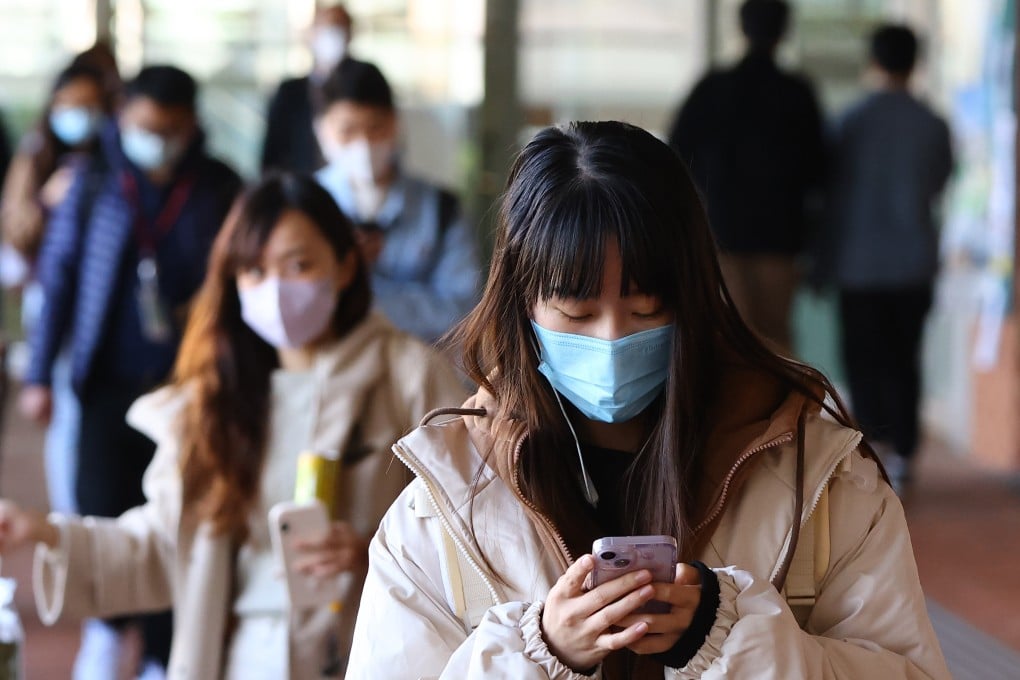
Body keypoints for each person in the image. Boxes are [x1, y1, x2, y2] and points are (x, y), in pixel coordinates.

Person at [345, 121, 950, 679]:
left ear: (695, 297)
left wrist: (728, 637)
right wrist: (541, 651)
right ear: (520, 305)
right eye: (577, 312)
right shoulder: (446, 501)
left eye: (646, 308)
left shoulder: (818, 474)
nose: (613, 338)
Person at [0, 173, 467, 678]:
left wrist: (374, 551)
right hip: (237, 656)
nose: (276, 289)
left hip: (367, 651)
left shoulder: (409, 377)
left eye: (298, 264)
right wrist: (42, 531)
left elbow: (475, 529)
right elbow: (162, 544)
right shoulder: (215, 398)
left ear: (346, 264)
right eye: (254, 271)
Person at [18, 64, 242, 678]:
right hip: (103, 387)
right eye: (145, 126)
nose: (157, 138)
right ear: (124, 119)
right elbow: (59, 281)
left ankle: (165, 657)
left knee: (176, 521)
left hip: (188, 393)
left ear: (191, 125)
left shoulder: (219, 188)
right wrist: (39, 375)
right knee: (101, 510)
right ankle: (105, 638)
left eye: (170, 128)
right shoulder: (93, 182)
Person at [818, 25, 953, 491]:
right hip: (913, 260)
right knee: (904, 357)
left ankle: (871, 447)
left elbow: (828, 191)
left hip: (858, 262)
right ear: (916, 63)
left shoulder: (849, 121)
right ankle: (907, 451)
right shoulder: (932, 123)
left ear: (873, 62)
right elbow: (938, 184)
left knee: (863, 357)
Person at [667, 0, 825, 356]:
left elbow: (677, 154)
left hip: (721, 233)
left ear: (741, 28)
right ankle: (787, 410)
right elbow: (818, 169)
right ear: (784, 32)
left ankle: (741, 412)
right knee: (776, 335)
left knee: (731, 335)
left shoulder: (712, 89)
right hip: (781, 236)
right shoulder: (796, 93)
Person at [1, 62, 113, 528]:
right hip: (49, 303)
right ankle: (72, 528)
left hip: (103, 309)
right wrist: (49, 203)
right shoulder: (36, 158)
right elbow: (14, 245)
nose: (78, 116)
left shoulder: (117, 164)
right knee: (65, 424)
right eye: (68, 106)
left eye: (89, 106)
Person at [315, 59, 481, 343]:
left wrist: (355, 298)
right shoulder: (304, 209)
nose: (363, 143)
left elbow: (464, 308)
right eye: (348, 131)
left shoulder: (440, 209)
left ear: (395, 124)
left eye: (375, 128)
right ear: (322, 131)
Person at [261, 3, 354, 174]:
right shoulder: (289, 92)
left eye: (340, 28)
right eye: (327, 28)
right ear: (312, 34)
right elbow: (272, 154)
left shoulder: (362, 89)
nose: (333, 36)